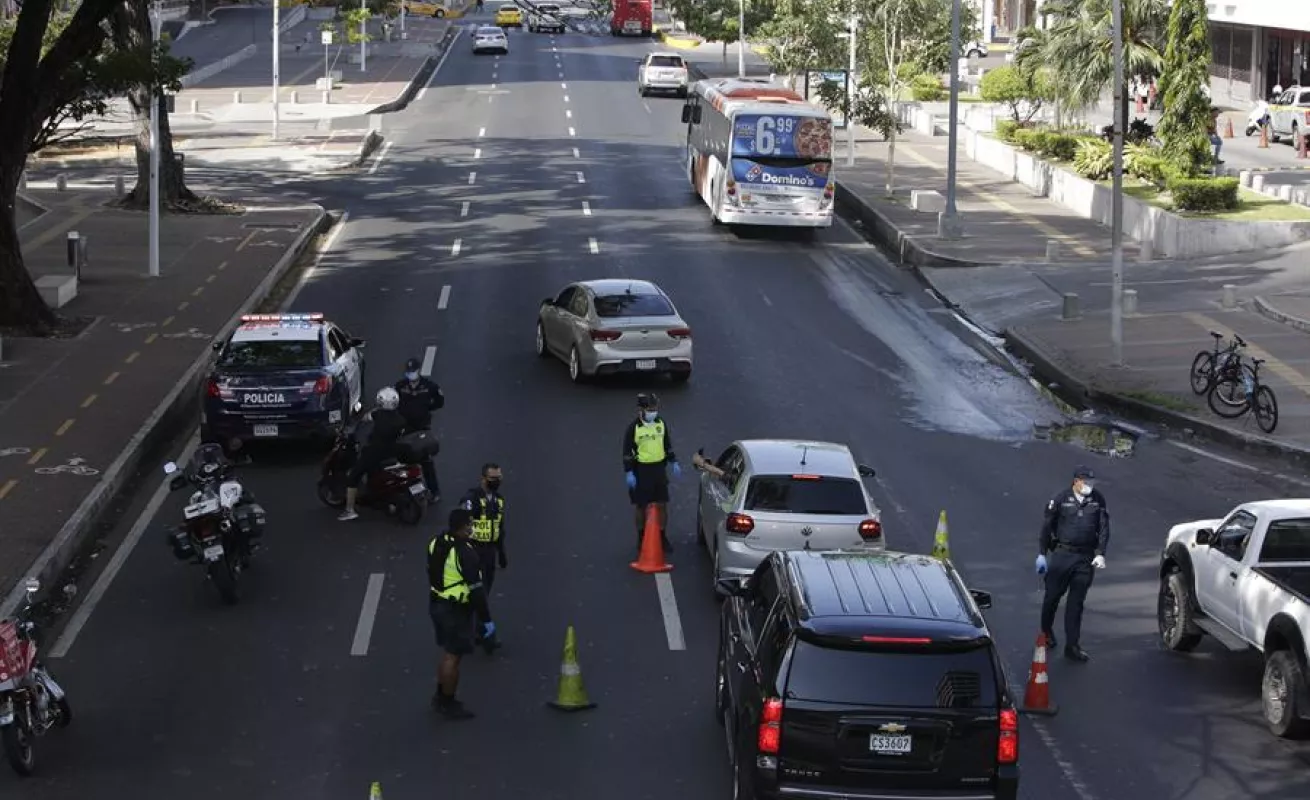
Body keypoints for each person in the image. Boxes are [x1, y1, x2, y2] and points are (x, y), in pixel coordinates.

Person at [1036, 465, 1110, 663]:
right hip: (1062, 555)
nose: (1089, 487)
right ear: (1076, 481)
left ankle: (1072, 645)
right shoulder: (1060, 500)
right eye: (1086, 483)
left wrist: (1100, 553)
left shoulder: (1098, 500)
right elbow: (1046, 528)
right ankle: (1046, 632)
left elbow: (1104, 528)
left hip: (1084, 558)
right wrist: (1042, 554)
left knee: (1076, 603)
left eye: (1092, 483)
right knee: (1052, 597)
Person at [428, 507, 494, 719]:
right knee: (453, 657)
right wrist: (486, 620)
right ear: (462, 528)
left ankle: (440, 694)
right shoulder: (465, 552)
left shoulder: (436, 542)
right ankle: (447, 701)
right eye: (470, 525)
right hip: (455, 610)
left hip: (437, 602)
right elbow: (476, 589)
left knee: (448, 651)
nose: (472, 528)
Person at [622, 393, 679, 556]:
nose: (653, 412)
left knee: (662, 504)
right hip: (641, 470)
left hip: (658, 470)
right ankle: (641, 537)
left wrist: (673, 461)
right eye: (650, 409)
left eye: (655, 409)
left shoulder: (661, 424)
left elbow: (667, 444)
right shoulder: (633, 429)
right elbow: (627, 452)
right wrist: (629, 472)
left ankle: (662, 536)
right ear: (641, 410)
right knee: (641, 506)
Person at [339, 387, 407, 522]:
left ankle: (349, 510)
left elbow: (363, 421)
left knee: (354, 476)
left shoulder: (376, 415)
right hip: (392, 453)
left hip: (373, 453)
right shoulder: (401, 419)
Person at [460, 463, 506, 653]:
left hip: (489, 553)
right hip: (474, 551)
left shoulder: (499, 500)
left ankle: (475, 631)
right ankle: (486, 635)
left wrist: (501, 553)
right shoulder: (472, 499)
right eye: (492, 478)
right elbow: (461, 524)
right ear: (483, 478)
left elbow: (499, 528)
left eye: (498, 478)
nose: (496, 481)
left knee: (483, 593)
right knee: (478, 595)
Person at [394, 357, 445, 504]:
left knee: (426, 461)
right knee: (402, 459)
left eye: (413, 371)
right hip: (404, 428)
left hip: (422, 428)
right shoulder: (400, 386)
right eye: (409, 371)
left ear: (419, 371)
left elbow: (439, 402)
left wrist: (425, 410)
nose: (411, 374)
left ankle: (434, 491)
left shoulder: (429, 387)